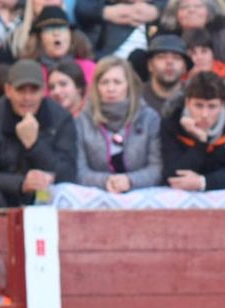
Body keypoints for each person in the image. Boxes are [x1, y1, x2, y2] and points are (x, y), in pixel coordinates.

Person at [0, 57, 77, 205]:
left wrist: (34, 145)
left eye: (34, 90)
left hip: (46, 192)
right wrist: (22, 183)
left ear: (44, 91)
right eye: (21, 90)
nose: (27, 97)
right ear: (8, 90)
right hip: (6, 192)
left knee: (63, 194)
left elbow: (69, 172)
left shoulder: (61, 118)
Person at [162, 68, 225, 192]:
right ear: (187, 102)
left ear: (223, 104)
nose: (205, 114)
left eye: (212, 106)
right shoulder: (172, 122)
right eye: (198, 105)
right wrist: (200, 144)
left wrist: (204, 182)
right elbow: (172, 175)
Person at [74, 55, 161, 192]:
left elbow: (157, 169)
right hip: (98, 196)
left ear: (128, 85)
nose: (110, 88)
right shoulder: (82, 121)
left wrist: (130, 180)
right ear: (96, 87)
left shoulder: (149, 118)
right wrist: (105, 181)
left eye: (117, 82)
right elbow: (79, 171)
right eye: (104, 82)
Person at [161, 0, 225, 71]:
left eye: (198, 6)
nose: (191, 10)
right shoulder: (165, 39)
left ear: (208, 11)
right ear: (175, 14)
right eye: (184, 7)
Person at [24, 5, 95, 82]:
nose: (56, 33)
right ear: (39, 38)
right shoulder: (31, 72)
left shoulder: (88, 69)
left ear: (71, 36)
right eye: (49, 29)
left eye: (62, 28)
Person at [75, 0, 160, 64]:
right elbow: (82, 8)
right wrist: (105, 12)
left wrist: (157, 11)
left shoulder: (156, 7)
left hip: (145, 66)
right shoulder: (104, 7)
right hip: (108, 62)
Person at [133, 32, 188, 112]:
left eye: (176, 58)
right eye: (161, 57)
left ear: (184, 67)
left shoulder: (196, 96)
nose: (169, 62)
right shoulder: (134, 96)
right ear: (150, 65)